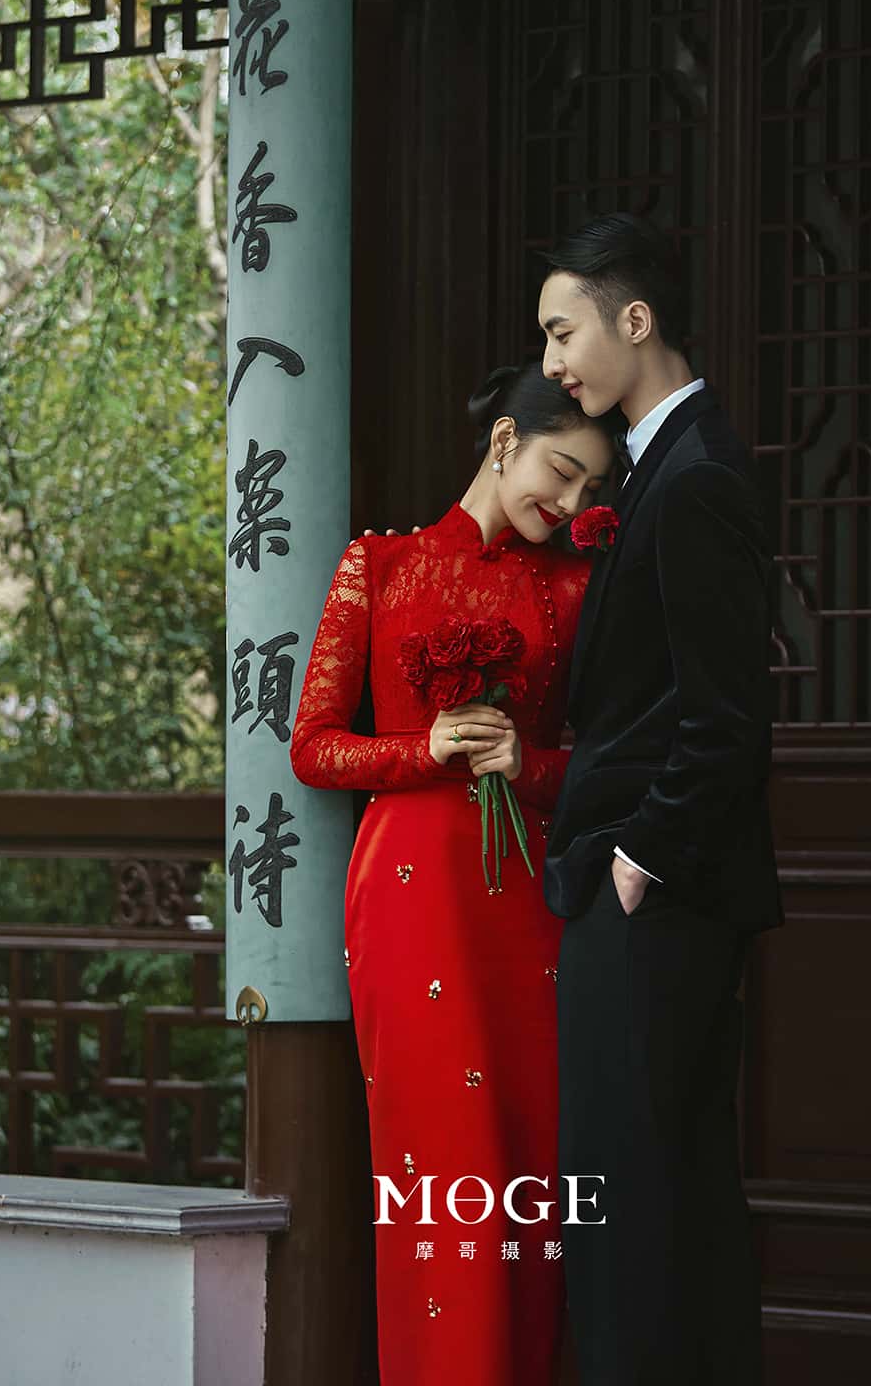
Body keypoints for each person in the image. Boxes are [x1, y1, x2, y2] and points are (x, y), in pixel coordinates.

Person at [290, 360, 625, 1386]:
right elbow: (312, 746)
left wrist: (531, 765)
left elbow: (615, 761)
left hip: (527, 899)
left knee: (531, 1170)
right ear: (504, 442)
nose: (567, 501)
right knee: (435, 1163)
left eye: (588, 489)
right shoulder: (378, 564)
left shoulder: (575, 587)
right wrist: (424, 748)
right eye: (561, 472)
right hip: (409, 896)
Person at [536, 212, 785, 1386]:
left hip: (655, 896)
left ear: (634, 320)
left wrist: (641, 860)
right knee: (658, 1198)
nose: (551, 363)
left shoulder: (692, 481)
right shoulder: (662, 468)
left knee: (634, 1205)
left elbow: (724, 713)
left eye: (562, 331)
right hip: (647, 892)